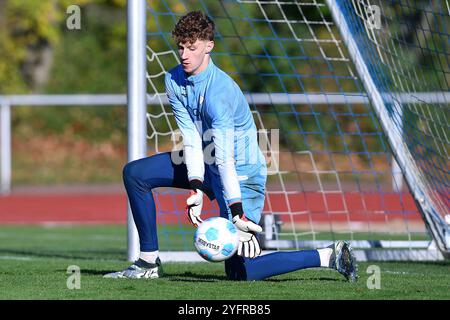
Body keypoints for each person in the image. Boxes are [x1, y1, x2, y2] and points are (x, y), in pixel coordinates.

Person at [104, 11, 358, 282]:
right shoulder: (174, 79)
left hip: (240, 175)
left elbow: (226, 161)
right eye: (181, 47)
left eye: (193, 47)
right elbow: (190, 138)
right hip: (205, 159)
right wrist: (197, 187)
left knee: (241, 272)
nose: (185, 55)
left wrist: (236, 212)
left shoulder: (220, 93)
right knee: (135, 173)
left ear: (209, 46)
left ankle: (329, 255)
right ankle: (148, 262)